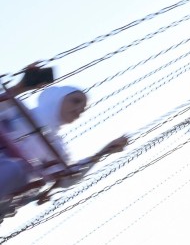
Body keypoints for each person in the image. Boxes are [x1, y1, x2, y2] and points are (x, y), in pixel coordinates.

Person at [0, 73, 128, 206]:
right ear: (57, 99)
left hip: (8, 184)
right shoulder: (18, 110)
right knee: (15, 168)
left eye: (83, 109)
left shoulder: (57, 146)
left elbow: (67, 179)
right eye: (75, 101)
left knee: (16, 169)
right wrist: (21, 87)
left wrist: (102, 152)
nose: (79, 110)